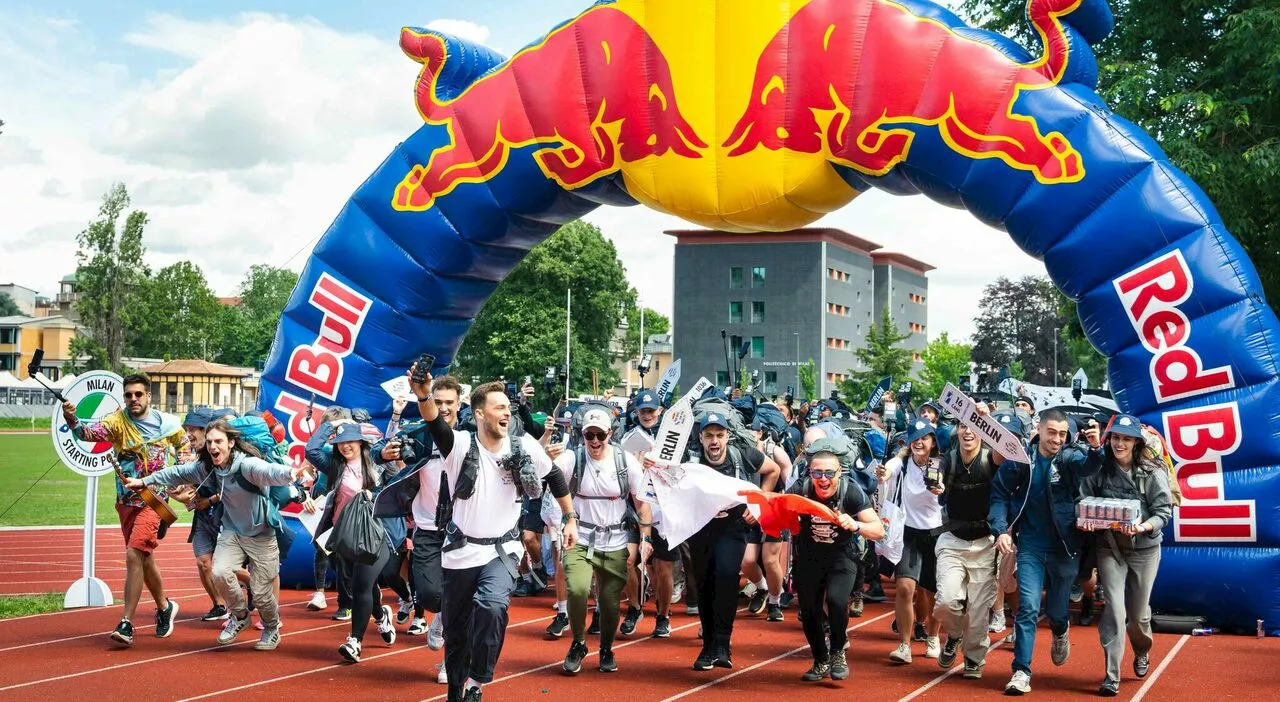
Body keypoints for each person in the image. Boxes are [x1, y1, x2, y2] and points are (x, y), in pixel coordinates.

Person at [413, 370, 578, 702]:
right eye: (498, 407)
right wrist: (422, 395)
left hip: (502, 551)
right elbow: (435, 423)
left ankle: (477, 682)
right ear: (478, 414)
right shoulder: (459, 445)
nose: (506, 413)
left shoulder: (524, 446)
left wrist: (570, 517)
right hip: (459, 551)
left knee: (492, 606)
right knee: (457, 633)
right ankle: (456, 690)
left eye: (508, 408)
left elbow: (555, 475)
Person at [129, 419, 304, 650]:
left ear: (231, 443)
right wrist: (144, 481)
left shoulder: (247, 465)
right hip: (232, 532)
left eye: (218, 441)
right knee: (219, 572)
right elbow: (177, 472)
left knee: (261, 594)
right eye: (210, 441)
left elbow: (270, 471)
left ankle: (271, 628)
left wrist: (293, 473)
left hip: (261, 535)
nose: (213, 446)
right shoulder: (207, 467)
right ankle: (240, 616)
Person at [62, 373, 185, 647]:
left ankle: (126, 623)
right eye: (128, 395)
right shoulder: (117, 422)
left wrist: (183, 478)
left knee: (133, 553)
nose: (133, 399)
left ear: (149, 396)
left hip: (154, 499)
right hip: (126, 501)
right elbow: (87, 432)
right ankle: (165, 607)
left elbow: (184, 448)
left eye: (138, 394)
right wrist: (71, 417)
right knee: (143, 556)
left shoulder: (168, 424)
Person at [990, 409, 1103, 696]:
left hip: (1065, 548)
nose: (1056, 439)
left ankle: (1061, 630)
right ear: (1039, 429)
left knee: (1056, 610)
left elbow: (1087, 465)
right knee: (1027, 608)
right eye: (1051, 432)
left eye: (1062, 434)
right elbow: (999, 494)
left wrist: (1095, 448)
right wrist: (1001, 530)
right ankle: (1021, 671)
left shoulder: (1068, 457)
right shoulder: (1020, 459)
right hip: (1030, 546)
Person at [1079, 415, 1173, 697]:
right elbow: (1082, 501)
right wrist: (1084, 519)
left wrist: (1142, 526)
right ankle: (1111, 675)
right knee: (1114, 611)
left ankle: (1142, 649)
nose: (1120, 443)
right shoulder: (1099, 469)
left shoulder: (1152, 471)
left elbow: (1164, 514)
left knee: (1138, 616)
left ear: (1136, 442)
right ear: (1110, 440)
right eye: (1116, 437)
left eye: (1126, 438)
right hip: (1110, 548)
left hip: (1145, 550)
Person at [557, 408, 654, 674]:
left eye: (600, 434)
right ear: (582, 435)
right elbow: (551, 478)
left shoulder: (625, 462)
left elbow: (642, 503)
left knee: (610, 604)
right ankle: (578, 643)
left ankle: (606, 648)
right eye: (589, 435)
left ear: (610, 434)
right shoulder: (572, 458)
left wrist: (644, 539)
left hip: (616, 540)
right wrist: (565, 518)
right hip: (580, 537)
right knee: (577, 589)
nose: (595, 440)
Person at [685, 412, 779, 671]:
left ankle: (723, 644)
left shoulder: (743, 455)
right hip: (700, 527)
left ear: (727, 436)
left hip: (733, 527)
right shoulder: (690, 458)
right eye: (708, 436)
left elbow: (773, 470)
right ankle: (708, 646)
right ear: (701, 438)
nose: (714, 441)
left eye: (719, 435)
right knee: (704, 583)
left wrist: (760, 503)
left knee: (726, 576)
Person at [306, 419, 400, 663]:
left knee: (360, 587)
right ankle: (381, 618)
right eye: (340, 443)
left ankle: (355, 641)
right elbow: (312, 451)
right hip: (343, 537)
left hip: (375, 535)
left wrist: (373, 494)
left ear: (360, 442)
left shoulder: (376, 463)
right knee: (362, 587)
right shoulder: (335, 467)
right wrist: (331, 424)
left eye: (350, 441)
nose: (345, 446)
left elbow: (391, 491)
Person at [789, 441, 884, 682]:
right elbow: (779, 509)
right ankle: (820, 659)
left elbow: (879, 530)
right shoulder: (801, 488)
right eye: (817, 473)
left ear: (838, 473)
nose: (823, 479)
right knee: (808, 610)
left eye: (828, 473)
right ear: (810, 473)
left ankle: (838, 650)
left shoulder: (850, 491)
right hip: (809, 556)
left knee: (836, 599)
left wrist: (857, 525)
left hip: (842, 557)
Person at [932, 414, 1006, 680]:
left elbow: (1005, 449)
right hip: (952, 540)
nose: (968, 432)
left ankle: (974, 658)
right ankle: (954, 634)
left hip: (985, 543)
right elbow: (935, 475)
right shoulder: (948, 459)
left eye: (975, 427)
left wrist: (988, 419)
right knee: (945, 603)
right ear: (957, 430)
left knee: (977, 611)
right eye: (964, 426)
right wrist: (936, 485)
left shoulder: (990, 458)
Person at [879, 418, 944, 663]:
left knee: (934, 592)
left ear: (932, 442)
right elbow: (889, 468)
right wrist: (883, 473)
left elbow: (941, 483)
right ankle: (904, 645)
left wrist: (940, 488)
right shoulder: (902, 463)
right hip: (907, 532)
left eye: (924, 438)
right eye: (915, 439)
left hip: (935, 534)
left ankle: (934, 636)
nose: (919, 443)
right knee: (906, 588)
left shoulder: (939, 463)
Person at [617, 389, 677, 637]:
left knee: (663, 567)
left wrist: (662, 467)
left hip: (664, 513)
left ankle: (663, 615)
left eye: (651, 411)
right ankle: (634, 607)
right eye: (643, 411)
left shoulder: (672, 438)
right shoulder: (628, 440)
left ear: (660, 411)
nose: (647, 415)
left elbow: (680, 474)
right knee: (627, 560)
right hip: (636, 511)